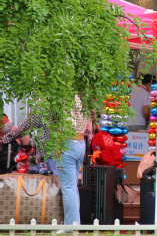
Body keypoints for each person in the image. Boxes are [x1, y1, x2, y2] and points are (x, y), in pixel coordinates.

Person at [2, 96, 92, 226]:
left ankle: (69, 226)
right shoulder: (76, 95)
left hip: (61, 146)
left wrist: (6, 138)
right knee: (72, 188)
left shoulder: (49, 98)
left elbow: (28, 125)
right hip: (79, 143)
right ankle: (73, 224)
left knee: (65, 189)